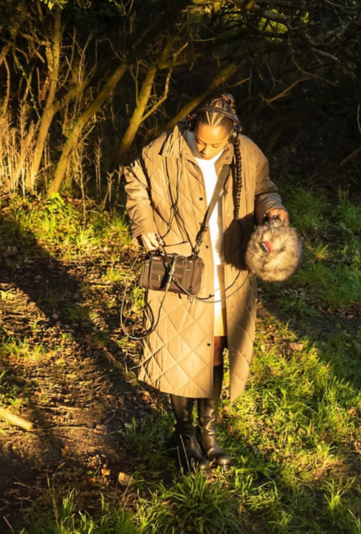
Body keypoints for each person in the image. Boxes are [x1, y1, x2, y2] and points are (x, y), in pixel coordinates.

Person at [123, 93, 289, 472]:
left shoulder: (247, 153)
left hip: (228, 268)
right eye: (200, 140)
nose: (206, 148)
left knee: (214, 351)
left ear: (231, 135)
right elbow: (135, 182)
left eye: (215, 144)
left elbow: (265, 189)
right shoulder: (161, 150)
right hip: (180, 266)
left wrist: (273, 208)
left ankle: (208, 436)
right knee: (178, 352)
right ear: (192, 124)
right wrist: (144, 225)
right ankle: (183, 435)